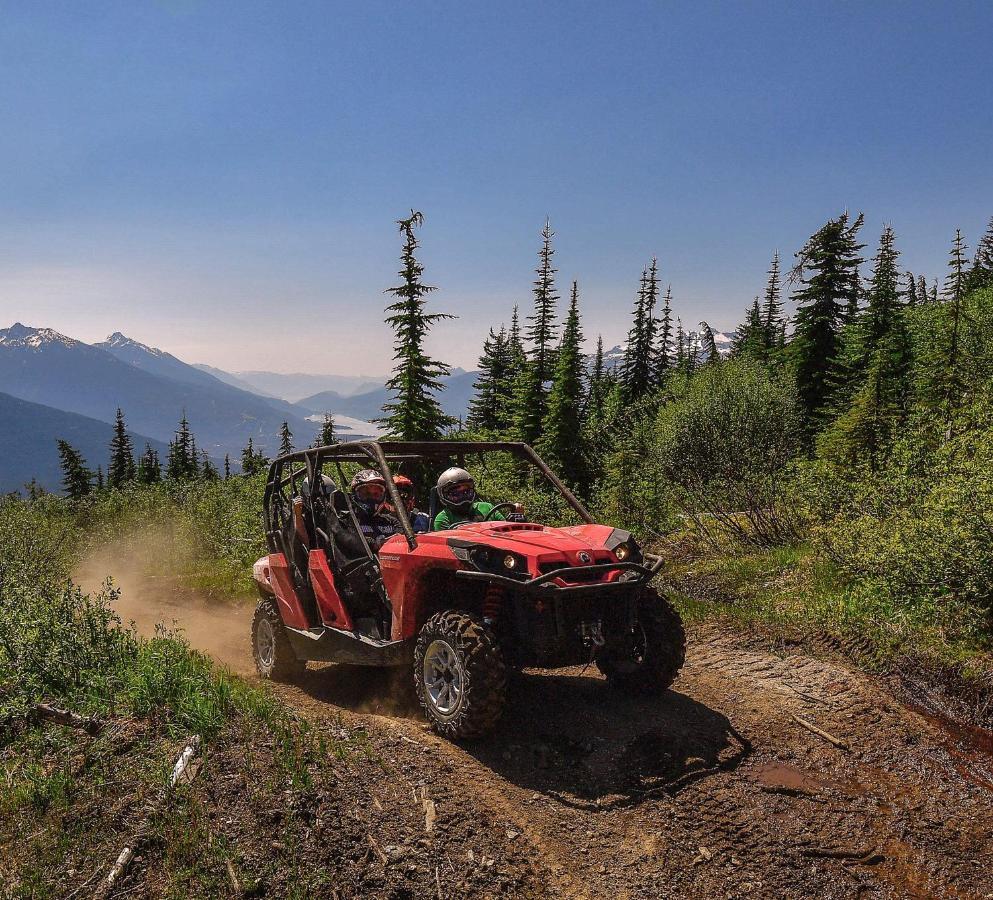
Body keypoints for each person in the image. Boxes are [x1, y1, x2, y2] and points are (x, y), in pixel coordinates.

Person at [432, 467, 506, 530]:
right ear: (444, 496)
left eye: (466, 492)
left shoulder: (488, 507)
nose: (463, 497)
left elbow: (507, 527)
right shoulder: (443, 518)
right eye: (455, 494)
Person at [346, 469, 400, 551]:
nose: (371, 498)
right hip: (363, 562)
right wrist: (376, 544)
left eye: (376, 494)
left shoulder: (391, 521)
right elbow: (351, 541)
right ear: (354, 495)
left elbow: (403, 539)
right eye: (366, 494)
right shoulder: (349, 520)